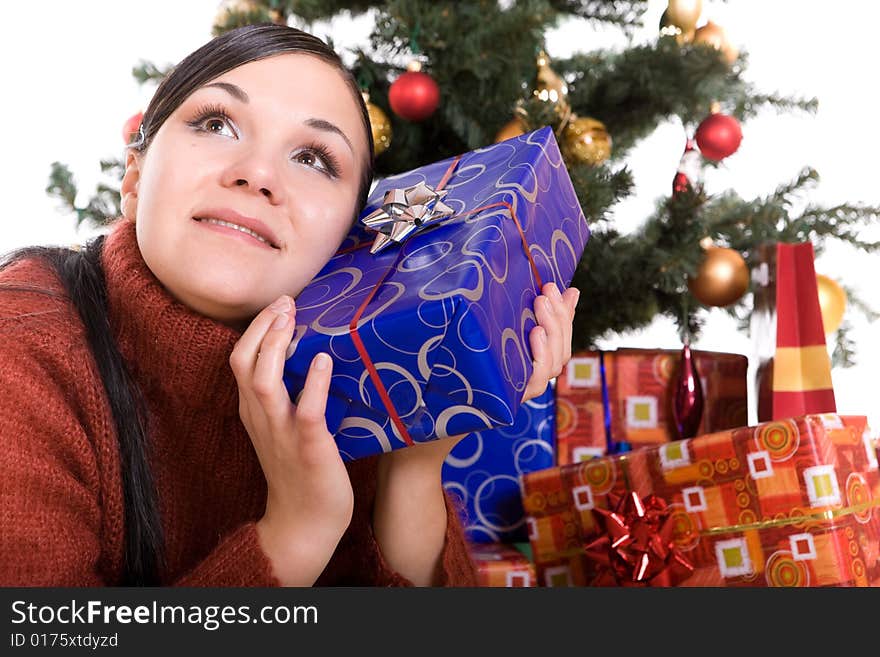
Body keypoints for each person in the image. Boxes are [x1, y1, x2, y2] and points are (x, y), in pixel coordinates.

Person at [0, 24, 579, 587]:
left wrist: (414, 462)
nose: (257, 175)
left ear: (347, 241)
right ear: (134, 177)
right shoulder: (23, 345)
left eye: (314, 159)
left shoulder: (351, 371)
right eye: (217, 123)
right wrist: (295, 534)